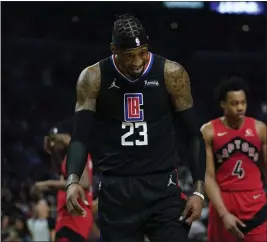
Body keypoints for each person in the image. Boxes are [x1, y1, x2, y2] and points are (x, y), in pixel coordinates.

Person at [65, 14, 206, 242]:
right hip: (116, 189)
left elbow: (194, 136)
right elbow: (80, 137)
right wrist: (72, 180)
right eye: (129, 56)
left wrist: (199, 192)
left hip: (163, 187)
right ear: (114, 50)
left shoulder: (172, 74)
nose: (138, 61)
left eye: (143, 52)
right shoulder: (92, 78)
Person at [201, 77, 267, 242]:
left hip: (255, 202)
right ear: (223, 104)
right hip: (223, 203)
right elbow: (208, 177)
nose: (240, 108)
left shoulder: (260, 129)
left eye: (243, 103)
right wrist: (223, 214)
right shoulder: (209, 131)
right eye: (234, 103)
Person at [32, 124, 98, 242]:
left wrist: (48, 184)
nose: (56, 142)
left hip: (74, 221)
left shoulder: (77, 152)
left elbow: (84, 183)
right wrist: (52, 151)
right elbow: (61, 171)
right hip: (68, 218)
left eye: (57, 138)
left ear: (68, 137)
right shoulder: (70, 155)